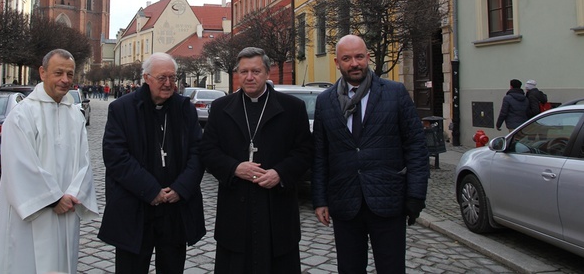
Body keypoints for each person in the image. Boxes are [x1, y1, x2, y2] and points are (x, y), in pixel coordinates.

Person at [311, 34, 429, 274]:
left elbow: (416, 146)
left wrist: (415, 195)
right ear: (337, 63)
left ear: (368, 58)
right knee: (350, 268)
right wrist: (320, 199)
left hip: (387, 200)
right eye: (347, 58)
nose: (354, 63)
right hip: (345, 202)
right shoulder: (325, 101)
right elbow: (320, 154)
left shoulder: (394, 93)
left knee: (391, 267)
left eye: (359, 56)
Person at [200, 47, 313, 273]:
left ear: (267, 73)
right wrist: (234, 168)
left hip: (277, 205)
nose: (249, 77)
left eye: (256, 71)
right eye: (244, 72)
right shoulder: (222, 107)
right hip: (235, 205)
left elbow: (306, 151)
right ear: (237, 74)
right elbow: (207, 151)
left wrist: (280, 173)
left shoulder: (292, 108)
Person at [0, 49, 98, 274]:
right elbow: (18, 164)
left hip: (67, 210)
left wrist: (72, 195)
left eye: (70, 74)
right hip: (32, 213)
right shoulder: (22, 114)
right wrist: (53, 199)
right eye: (58, 73)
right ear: (42, 72)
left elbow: (84, 162)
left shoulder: (75, 115)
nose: (65, 80)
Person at [98, 52, 205, 273]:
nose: (168, 84)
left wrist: (180, 188)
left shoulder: (184, 109)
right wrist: (151, 189)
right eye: (162, 78)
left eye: (173, 78)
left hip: (175, 208)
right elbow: (116, 156)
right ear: (146, 78)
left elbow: (198, 152)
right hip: (135, 205)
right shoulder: (122, 108)